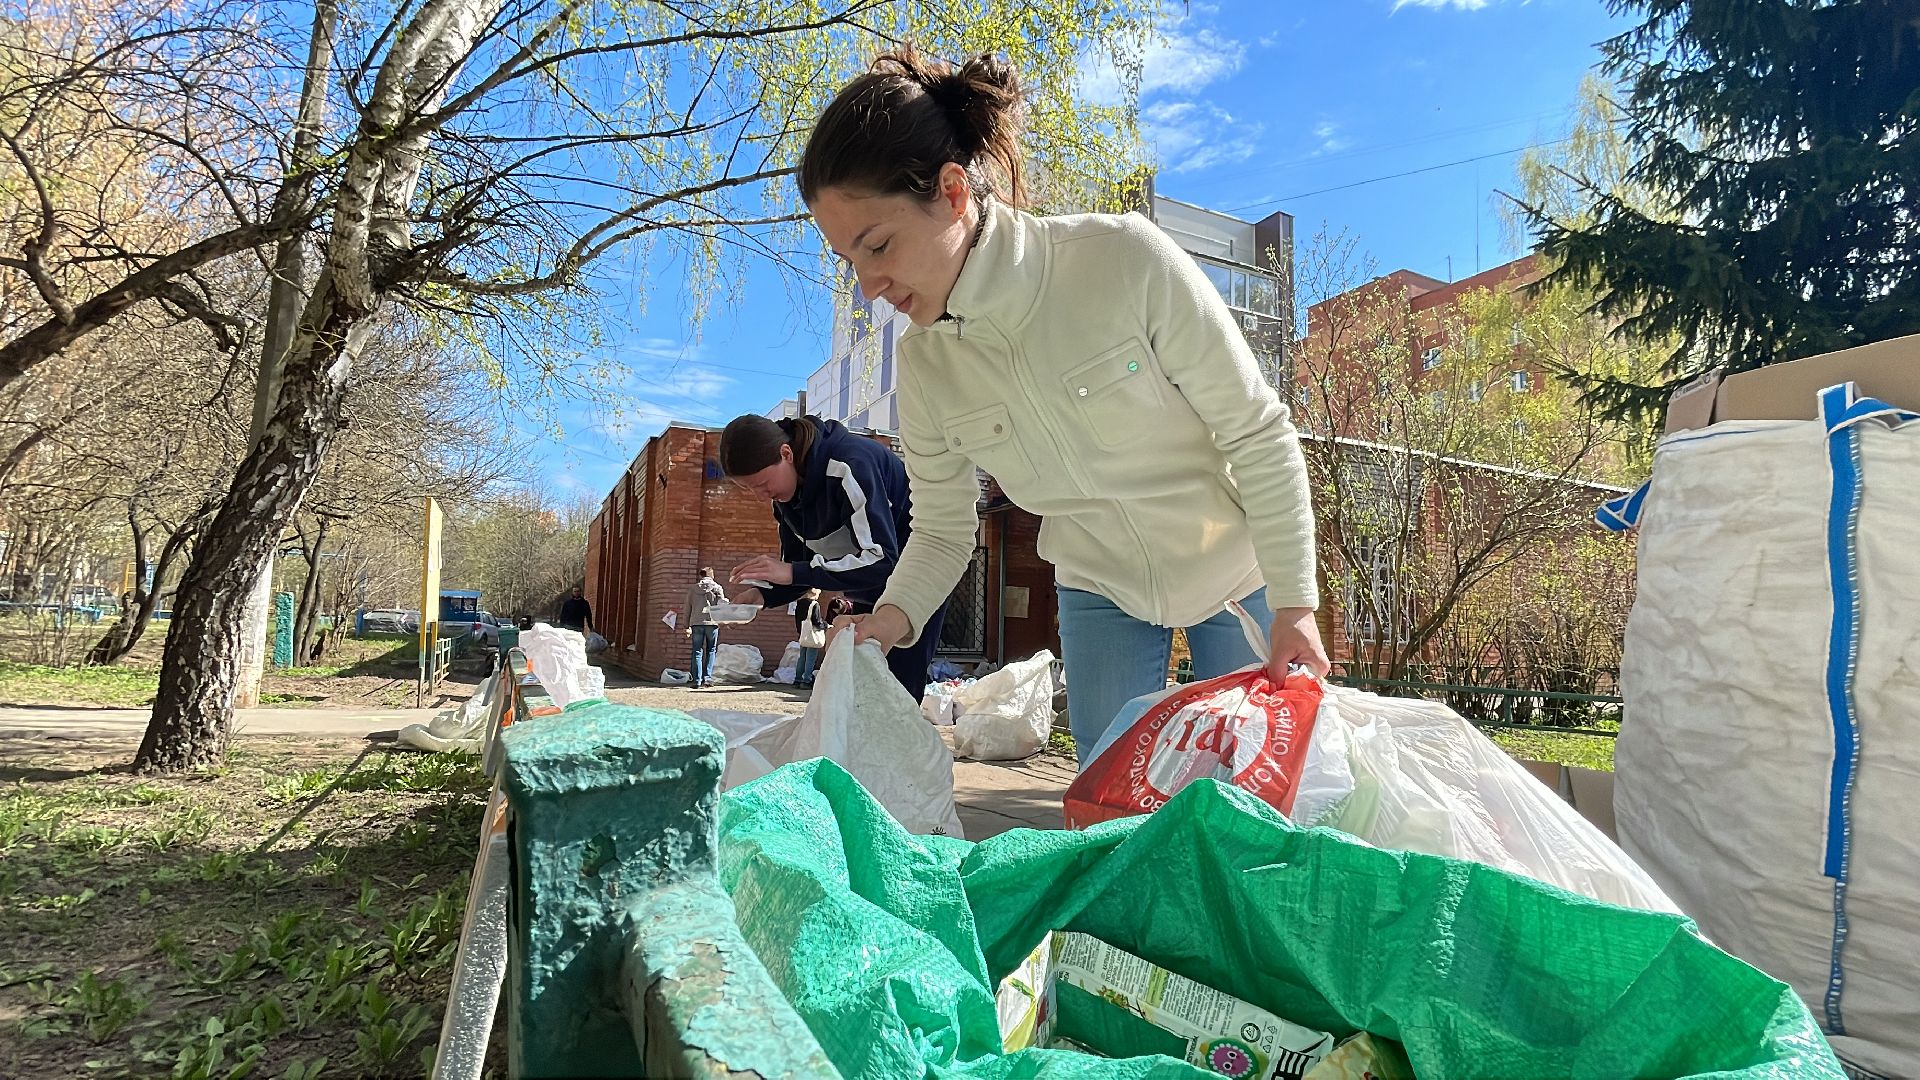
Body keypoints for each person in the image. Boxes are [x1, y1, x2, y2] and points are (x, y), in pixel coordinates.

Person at [798, 48, 1329, 765]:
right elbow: (944, 528)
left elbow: (1257, 431)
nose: (868, 286)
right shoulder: (926, 366)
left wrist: (1295, 602)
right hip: (1098, 587)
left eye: (879, 246)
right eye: (851, 262)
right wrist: (887, 621)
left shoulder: (1121, 260)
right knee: (1106, 799)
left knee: (1251, 793)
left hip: (1238, 572)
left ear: (952, 192)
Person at [719, 412, 945, 696]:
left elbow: (882, 560)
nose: (761, 496)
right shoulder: (786, 499)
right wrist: (763, 596)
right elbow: (801, 570)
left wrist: (791, 572)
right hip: (868, 587)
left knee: (895, 687)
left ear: (786, 453)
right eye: (750, 489)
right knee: (859, 686)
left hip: (918, 578)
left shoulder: (850, 464)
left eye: (763, 484)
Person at [684, 567, 725, 688]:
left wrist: (686, 625)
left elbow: (687, 608)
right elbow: (722, 605)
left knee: (697, 650)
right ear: (712, 576)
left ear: (701, 576)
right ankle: (707, 679)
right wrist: (724, 621)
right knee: (711, 650)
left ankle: (697, 680)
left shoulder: (693, 589)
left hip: (696, 623)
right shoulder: (717, 588)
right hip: (712, 623)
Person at [793, 588, 827, 687]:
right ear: (815, 593)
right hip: (812, 634)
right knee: (810, 658)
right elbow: (816, 621)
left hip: (803, 633)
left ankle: (797, 679)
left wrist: (800, 631)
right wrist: (825, 625)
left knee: (802, 657)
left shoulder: (799, 603)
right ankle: (806, 680)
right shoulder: (814, 604)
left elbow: (797, 619)